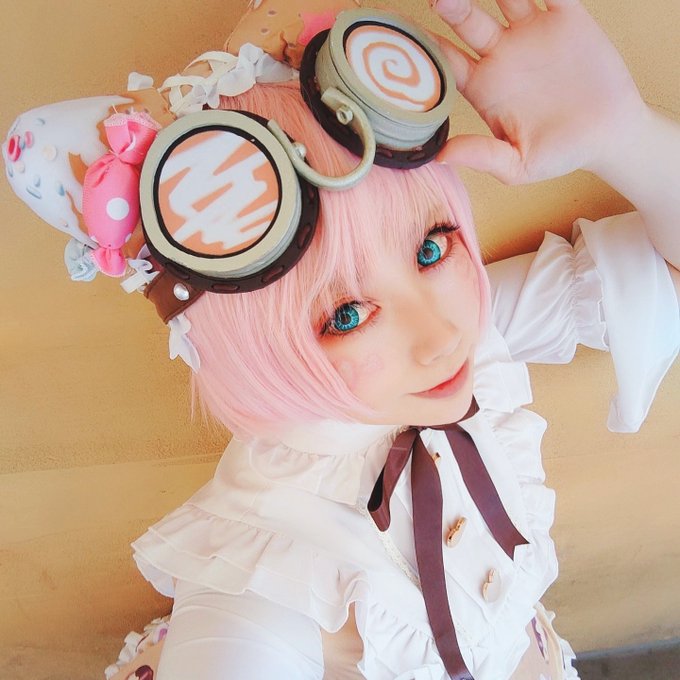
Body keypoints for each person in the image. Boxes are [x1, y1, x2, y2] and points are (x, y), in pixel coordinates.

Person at [3, 0, 678, 678]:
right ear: (254, 351)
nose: (441, 337)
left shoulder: (474, 332)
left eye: (431, 247)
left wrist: (623, 135)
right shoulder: (264, 569)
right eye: (346, 315)